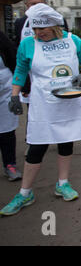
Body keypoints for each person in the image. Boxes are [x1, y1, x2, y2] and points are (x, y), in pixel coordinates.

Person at [0, 3, 81, 216]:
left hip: (69, 99)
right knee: (37, 145)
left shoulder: (73, 41)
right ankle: (25, 193)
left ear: (54, 26)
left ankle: (63, 183)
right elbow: (21, 70)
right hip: (42, 102)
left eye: (42, 29)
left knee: (65, 140)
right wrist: (14, 95)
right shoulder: (27, 45)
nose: (39, 33)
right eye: (35, 29)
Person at [14, 0, 69, 102]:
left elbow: (67, 43)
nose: (38, 32)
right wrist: (23, 85)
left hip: (56, 71)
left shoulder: (57, 20)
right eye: (33, 4)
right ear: (26, 5)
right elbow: (19, 58)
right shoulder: (20, 23)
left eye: (40, 4)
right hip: (32, 75)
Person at [0, 31, 22, 181]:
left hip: (5, 90)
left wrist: (19, 90)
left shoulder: (1, 38)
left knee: (6, 129)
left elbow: (15, 62)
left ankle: (10, 164)